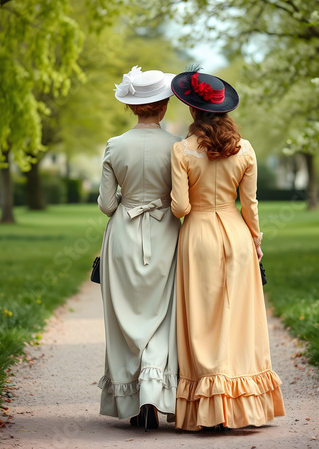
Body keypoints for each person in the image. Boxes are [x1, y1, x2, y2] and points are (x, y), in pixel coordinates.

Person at [170, 70, 285, 431]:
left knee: (202, 321)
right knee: (238, 318)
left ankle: (206, 405)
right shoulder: (244, 148)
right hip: (236, 236)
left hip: (198, 236)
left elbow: (179, 207)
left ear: (193, 111)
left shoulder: (182, 150)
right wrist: (256, 241)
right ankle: (241, 403)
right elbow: (249, 205)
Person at [97, 66, 181, 430]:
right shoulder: (177, 145)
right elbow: (181, 199)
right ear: (163, 106)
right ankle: (156, 392)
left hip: (123, 234)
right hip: (167, 235)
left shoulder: (115, 145)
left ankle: (132, 400)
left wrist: (127, 202)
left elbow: (105, 204)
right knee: (163, 315)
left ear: (133, 107)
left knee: (124, 317)